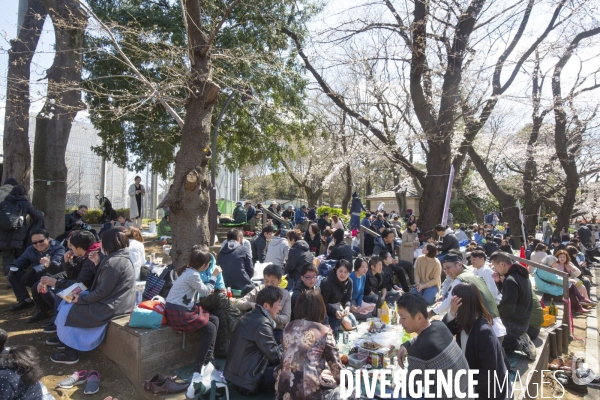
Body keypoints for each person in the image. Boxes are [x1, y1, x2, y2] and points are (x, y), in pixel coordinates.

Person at [52, 227, 135, 364]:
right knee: (66, 300)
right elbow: (106, 284)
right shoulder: (117, 258)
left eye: (102, 241)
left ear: (109, 243)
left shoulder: (114, 262)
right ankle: (65, 339)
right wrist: (97, 264)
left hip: (111, 306)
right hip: (114, 301)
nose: (100, 244)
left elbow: (103, 291)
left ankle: (70, 352)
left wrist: (81, 299)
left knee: (69, 310)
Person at [442, 283, 510, 399]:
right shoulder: (464, 321)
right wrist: (452, 313)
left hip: (488, 391)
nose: (451, 304)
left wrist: (463, 385)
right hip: (472, 381)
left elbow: (488, 374)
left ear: (462, 304)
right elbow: (443, 335)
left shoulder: (483, 332)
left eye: (454, 301)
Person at [396, 294, 469, 398]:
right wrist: (406, 345)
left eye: (403, 317)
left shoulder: (418, 350)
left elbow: (411, 389)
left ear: (419, 317)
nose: (400, 322)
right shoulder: (439, 325)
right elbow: (423, 338)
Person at [276, 291, 345, 400]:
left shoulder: (288, 327)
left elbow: (291, 360)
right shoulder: (324, 331)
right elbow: (336, 369)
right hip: (307, 393)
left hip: (282, 392)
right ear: (321, 309)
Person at [165, 247, 222, 373]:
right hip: (178, 312)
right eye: (208, 264)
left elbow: (203, 289)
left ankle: (209, 356)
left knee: (215, 319)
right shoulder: (193, 274)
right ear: (204, 265)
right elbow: (206, 292)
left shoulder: (188, 271)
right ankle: (199, 365)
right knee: (210, 328)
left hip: (178, 309)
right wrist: (214, 275)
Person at [431, 252, 506, 343]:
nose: (446, 272)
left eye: (448, 267)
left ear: (459, 265)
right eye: (444, 269)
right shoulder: (470, 274)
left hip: (487, 332)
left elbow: (448, 304)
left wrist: (431, 313)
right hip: (495, 329)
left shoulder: (460, 280)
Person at [224, 286, 283, 395]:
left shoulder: (251, 315)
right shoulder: (262, 323)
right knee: (291, 368)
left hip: (236, 377)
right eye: (278, 304)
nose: (280, 308)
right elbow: (276, 357)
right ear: (266, 306)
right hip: (247, 384)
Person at [37, 230, 99, 335]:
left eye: (72, 245)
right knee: (61, 291)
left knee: (64, 294)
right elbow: (75, 276)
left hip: (90, 292)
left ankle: (62, 331)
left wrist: (56, 282)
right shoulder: (85, 256)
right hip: (86, 288)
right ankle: (58, 323)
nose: (70, 247)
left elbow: (81, 284)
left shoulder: (90, 258)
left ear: (79, 247)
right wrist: (67, 262)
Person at [489, 251, 536, 360]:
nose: (494, 270)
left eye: (495, 266)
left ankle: (519, 343)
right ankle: (517, 337)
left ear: (502, 264)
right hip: (522, 320)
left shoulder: (511, 280)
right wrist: (498, 282)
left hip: (515, 324)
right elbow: (511, 295)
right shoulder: (520, 274)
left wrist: (491, 315)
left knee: (494, 345)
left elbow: (508, 308)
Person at [7, 229, 65, 312]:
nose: (38, 244)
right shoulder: (30, 249)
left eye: (41, 241)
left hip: (52, 277)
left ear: (48, 238)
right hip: (36, 277)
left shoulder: (59, 248)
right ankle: (25, 300)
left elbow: (56, 265)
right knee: (13, 274)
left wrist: (34, 270)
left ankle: (51, 310)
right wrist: (13, 266)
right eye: (34, 242)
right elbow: (22, 260)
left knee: (40, 284)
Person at [235, 264, 291, 344]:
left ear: (279, 281)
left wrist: (271, 315)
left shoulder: (285, 294)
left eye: (272, 282)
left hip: (275, 329)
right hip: (257, 326)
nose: (268, 284)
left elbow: (286, 318)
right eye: (266, 281)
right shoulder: (259, 289)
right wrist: (251, 304)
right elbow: (238, 302)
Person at [0, 184, 44, 278]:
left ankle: (9, 278)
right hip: (20, 234)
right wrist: (40, 213)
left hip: (4, 234)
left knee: (7, 257)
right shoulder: (25, 203)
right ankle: (18, 277)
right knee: (21, 257)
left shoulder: (4, 203)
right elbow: (36, 217)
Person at [319, 259, 353, 340]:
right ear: (336, 270)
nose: (343, 274)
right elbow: (322, 303)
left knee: (351, 325)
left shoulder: (349, 282)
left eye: (346, 272)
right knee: (330, 334)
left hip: (338, 307)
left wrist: (347, 307)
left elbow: (348, 299)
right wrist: (335, 312)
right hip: (325, 309)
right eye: (340, 271)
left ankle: (340, 324)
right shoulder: (327, 282)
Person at [218, 229, 255, 296]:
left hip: (225, 285)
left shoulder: (220, 253)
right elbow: (250, 270)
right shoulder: (244, 250)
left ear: (227, 239)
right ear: (239, 239)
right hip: (243, 284)